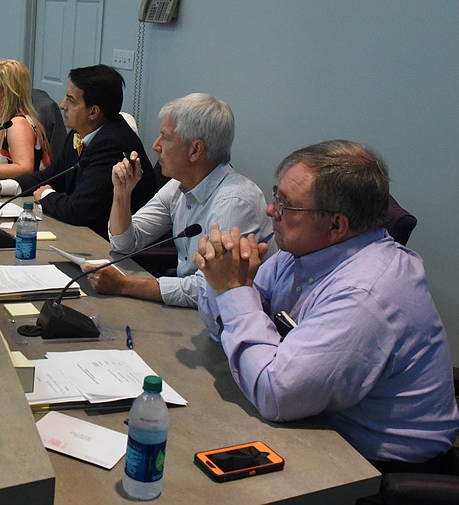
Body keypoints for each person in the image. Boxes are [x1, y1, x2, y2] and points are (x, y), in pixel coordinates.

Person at [195, 140, 459, 474]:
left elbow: (276, 394)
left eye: (286, 206)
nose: (270, 211)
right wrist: (223, 277)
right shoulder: (301, 252)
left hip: (379, 469)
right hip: (318, 425)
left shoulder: (366, 292)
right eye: (276, 195)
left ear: (335, 225)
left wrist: (233, 289)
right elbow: (224, 327)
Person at [83, 93, 276, 307]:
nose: (156, 145)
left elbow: (209, 289)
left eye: (165, 137)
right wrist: (122, 193)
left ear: (195, 150)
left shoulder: (234, 202)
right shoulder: (178, 185)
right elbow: (125, 244)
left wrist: (124, 285)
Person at [0, 64, 157, 239]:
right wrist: (1, 187)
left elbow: (79, 211)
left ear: (93, 112)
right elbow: (50, 177)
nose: (62, 105)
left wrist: (45, 195)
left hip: (111, 247)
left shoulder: (112, 144)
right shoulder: (80, 133)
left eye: (71, 100)